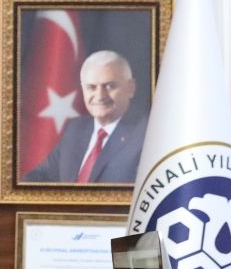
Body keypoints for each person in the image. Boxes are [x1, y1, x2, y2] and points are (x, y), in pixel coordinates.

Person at [22, 50, 145, 184]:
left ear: (131, 88)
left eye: (110, 86)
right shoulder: (76, 129)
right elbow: (41, 175)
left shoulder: (146, 136)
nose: (100, 96)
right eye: (91, 87)